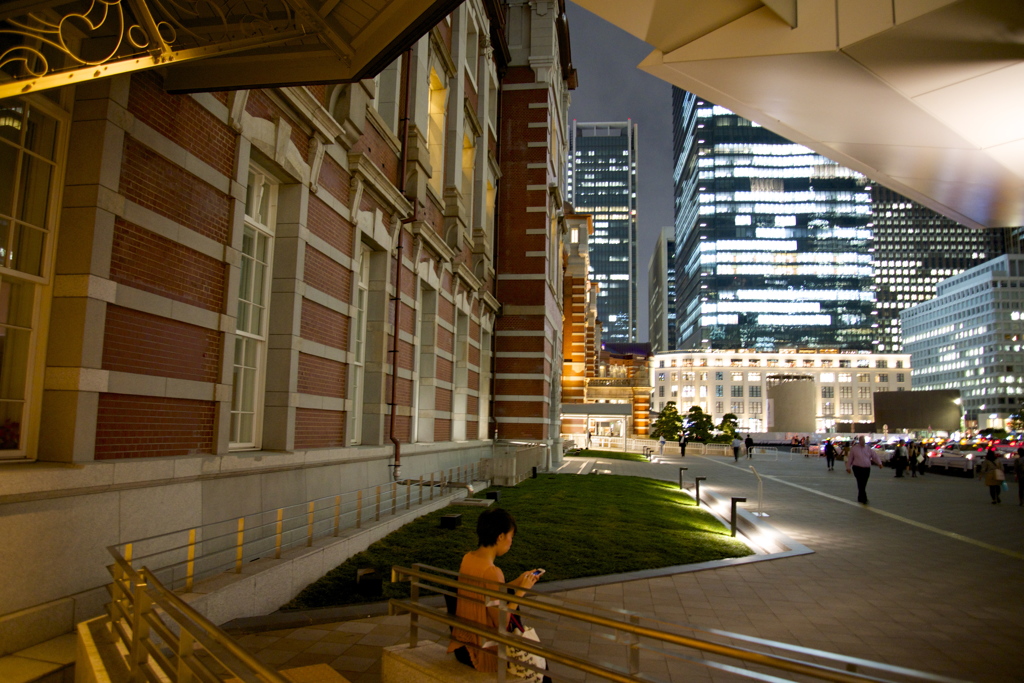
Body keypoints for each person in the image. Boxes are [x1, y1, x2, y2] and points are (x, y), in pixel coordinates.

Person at [448, 508, 544, 673]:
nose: (511, 542)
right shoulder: (492, 571)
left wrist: (519, 582)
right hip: (481, 649)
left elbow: (491, 591)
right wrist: (522, 592)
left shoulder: (468, 558)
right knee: (539, 664)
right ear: (500, 536)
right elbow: (502, 622)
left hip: (463, 642)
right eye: (510, 537)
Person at [846, 435, 883, 504]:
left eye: (864, 441)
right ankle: (863, 498)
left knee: (864, 483)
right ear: (859, 441)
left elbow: (874, 456)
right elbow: (850, 458)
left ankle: (861, 497)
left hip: (866, 468)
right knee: (860, 482)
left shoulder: (868, 449)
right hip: (857, 468)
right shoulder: (854, 449)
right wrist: (848, 467)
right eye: (862, 440)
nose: (863, 442)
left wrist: (879, 463)